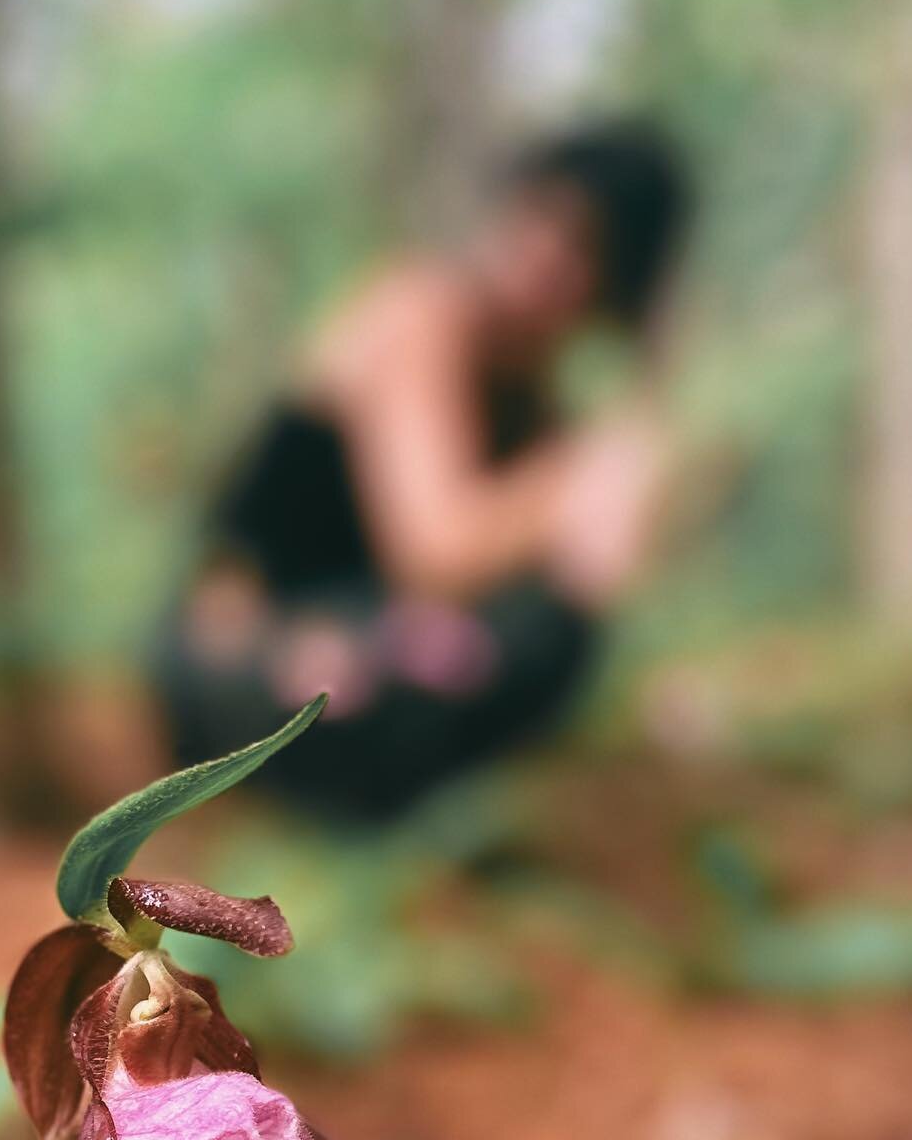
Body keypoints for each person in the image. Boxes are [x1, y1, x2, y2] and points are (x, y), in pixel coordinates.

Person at [154, 119, 697, 823]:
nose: (543, 258)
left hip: (375, 655)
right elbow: (435, 554)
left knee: (554, 630)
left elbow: (572, 589)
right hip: (247, 654)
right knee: (384, 661)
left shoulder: (541, 408)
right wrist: (578, 476)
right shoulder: (419, 311)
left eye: (585, 250)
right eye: (540, 217)